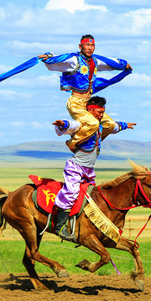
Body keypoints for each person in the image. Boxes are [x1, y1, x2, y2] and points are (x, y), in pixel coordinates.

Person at [51, 96, 136, 241]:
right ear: (89, 110)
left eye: (103, 112)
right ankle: (59, 226)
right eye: (99, 112)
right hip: (76, 168)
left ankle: (83, 226)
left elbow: (113, 126)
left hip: (89, 170)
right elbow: (72, 125)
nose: (101, 115)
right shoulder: (83, 125)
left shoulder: (100, 126)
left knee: (92, 197)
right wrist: (63, 124)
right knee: (71, 192)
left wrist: (124, 125)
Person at [38, 35, 132, 152]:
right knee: (93, 123)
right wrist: (49, 56)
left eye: (92, 45)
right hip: (76, 102)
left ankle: (89, 142)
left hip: (89, 103)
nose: (90, 48)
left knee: (109, 125)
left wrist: (123, 64)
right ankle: (72, 143)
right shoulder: (74, 60)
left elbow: (110, 62)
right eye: (87, 45)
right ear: (80, 46)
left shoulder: (95, 61)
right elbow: (61, 59)